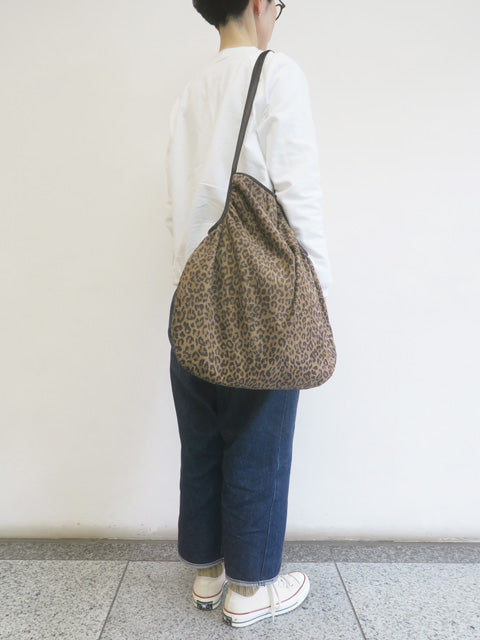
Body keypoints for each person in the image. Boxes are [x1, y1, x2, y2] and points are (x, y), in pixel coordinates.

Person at [165, 0, 332, 629]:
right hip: (261, 304)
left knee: (202, 439)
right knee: (260, 441)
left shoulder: (190, 92)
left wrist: (187, 287)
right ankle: (251, 588)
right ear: (259, 3)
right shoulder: (276, 72)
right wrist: (315, 294)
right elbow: (299, 194)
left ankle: (208, 574)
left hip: (193, 297)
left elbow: (178, 205)